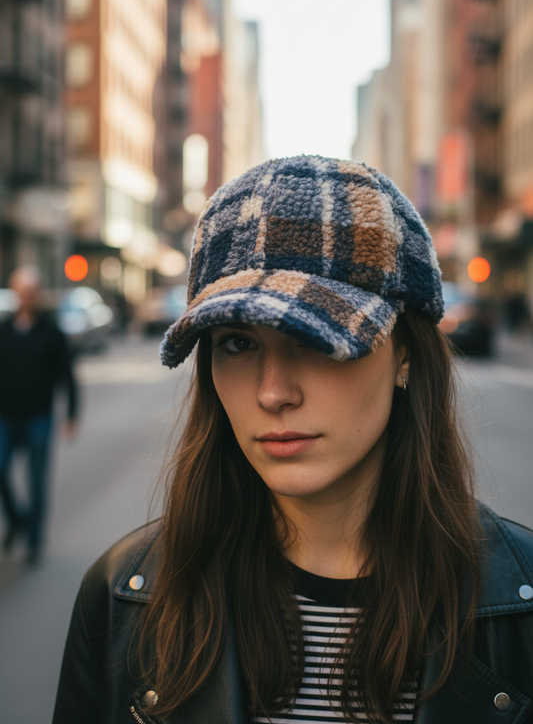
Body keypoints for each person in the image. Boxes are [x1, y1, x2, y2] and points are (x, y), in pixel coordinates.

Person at [53, 157, 533, 724]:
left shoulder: (519, 610)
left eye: (316, 339)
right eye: (237, 343)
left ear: (404, 352)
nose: (273, 392)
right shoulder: (122, 598)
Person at [0, 266, 79, 563]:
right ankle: (17, 519)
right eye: (21, 291)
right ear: (15, 293)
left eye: (31, 291)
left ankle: (34, 541)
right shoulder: (4, 330)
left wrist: (71, 415)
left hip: (39, 418)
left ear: (38, 294)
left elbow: (67, 375)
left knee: (37, 479)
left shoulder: (51, 332)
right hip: (5, 417)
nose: (26, 296)